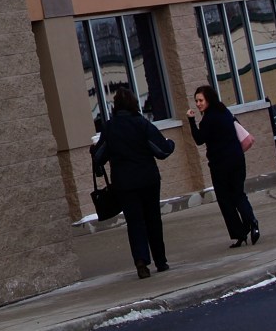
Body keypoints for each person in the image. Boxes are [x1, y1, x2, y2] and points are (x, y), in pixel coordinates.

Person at [93, 87, 177, 279]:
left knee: (135, 222)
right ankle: (161, 260)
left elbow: (99, 156)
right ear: (133, 103)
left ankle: (141, 261)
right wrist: (170, 143)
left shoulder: (109, 127)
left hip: (125, 184)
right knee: (153, 219)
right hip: (148, 179)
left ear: (115, 106)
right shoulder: (142, 124)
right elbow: (161, 150)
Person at [187, 84, 260, 248]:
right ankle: (252, 222)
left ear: (208, 100)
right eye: (196, 101)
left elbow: (199, 139)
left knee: (225, 200)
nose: (198, 104)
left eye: (200, 100)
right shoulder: (225, 112)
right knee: (239, 194)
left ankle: (239, 233)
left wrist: (191, 120)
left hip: (220, 165)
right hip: (237, 160)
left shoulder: (208, 119)